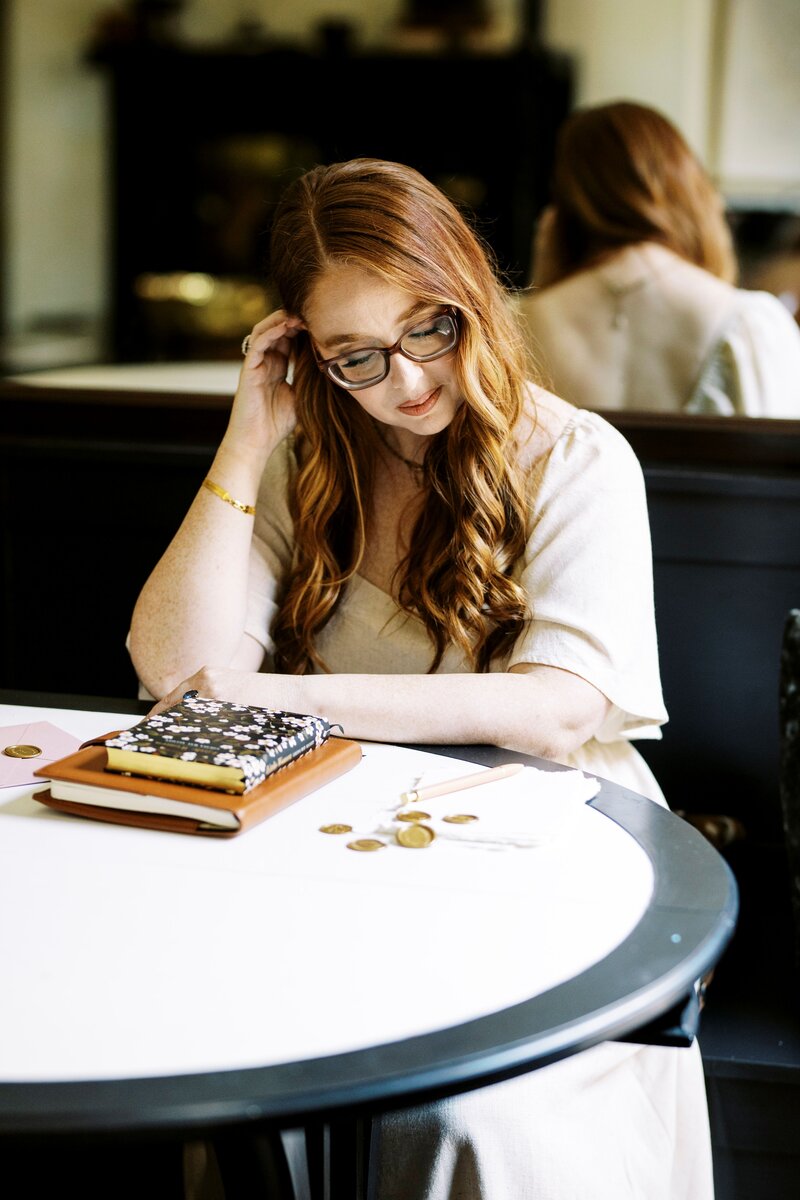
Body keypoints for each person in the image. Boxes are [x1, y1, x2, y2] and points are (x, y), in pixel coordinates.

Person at [128, 157, 714, 1199]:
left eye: (426, 330)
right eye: (355, 356)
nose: (404, 383)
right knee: (254, 1073)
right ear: (306, 351)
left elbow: (555, 706)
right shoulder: (304, 454)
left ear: (469, 295)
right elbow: (171, 666)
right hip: (344, 846)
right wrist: (247, 434)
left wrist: (276, 697)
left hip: (547, 849)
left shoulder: (578, 458)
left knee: (452, 1111)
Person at [516, 99, 800, 418]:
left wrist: (540, 288)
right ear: (686, 186)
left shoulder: (514, 324)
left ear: (566, 201)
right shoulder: (751, 325)